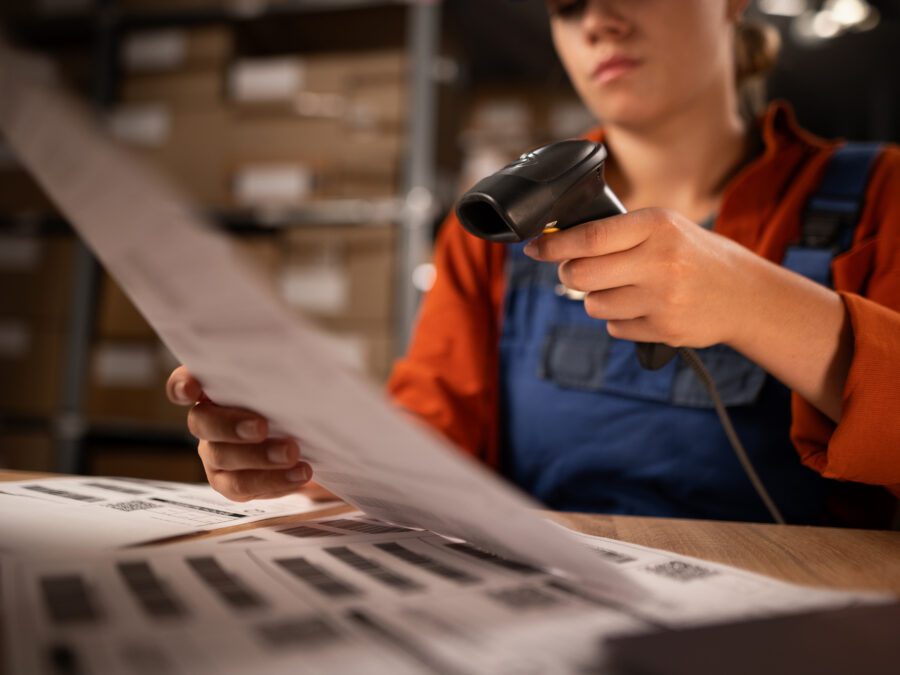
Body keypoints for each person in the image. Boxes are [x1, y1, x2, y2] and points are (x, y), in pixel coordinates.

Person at [167, 0, 900, 526]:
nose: (597, 21)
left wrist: (755, 302)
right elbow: (434, 434)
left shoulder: (882, 195)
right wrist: (307, 451)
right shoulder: (501, 224)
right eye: (567, 4)